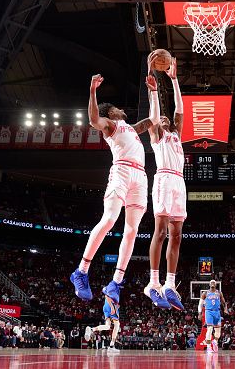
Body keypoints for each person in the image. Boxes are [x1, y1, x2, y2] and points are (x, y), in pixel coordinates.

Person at [70, 59, 161, 306]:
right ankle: (81, 271)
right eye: (117, 108)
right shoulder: (110, 125)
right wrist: (92, 92)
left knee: (132, 231)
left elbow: (154, 119)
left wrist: (154, 91)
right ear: (111, 112)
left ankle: (116, 282)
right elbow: (92, 120)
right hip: (121, 172)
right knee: (109, 219)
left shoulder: (131, 128)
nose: (122, 109)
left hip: (140, 177)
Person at [145, 55, 186, 311]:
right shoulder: (157, 136)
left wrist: (174, 80)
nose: (165, 119)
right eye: (162, 119)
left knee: (177, 235)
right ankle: (153, 282)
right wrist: (154, 92)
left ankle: (170, 284)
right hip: (163, 178)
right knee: (160, 233)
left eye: (167, 118)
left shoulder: (176, 135)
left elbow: (180, 110)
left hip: (179, 183)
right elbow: (155, 115)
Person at [198, 280, 228, 353]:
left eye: (214, 282)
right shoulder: (205, 293)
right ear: (209, 284)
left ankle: (215, 341)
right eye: (211, 282)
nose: (212, 283)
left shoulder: (219, 293)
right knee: (210, 329)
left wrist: (225, 309)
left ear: (216, 284)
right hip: (209, 312)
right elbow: (200, 304)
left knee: (218, 332)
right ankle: (208, 347)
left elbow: (224, 303)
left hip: (217, 312)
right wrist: (200, 313)